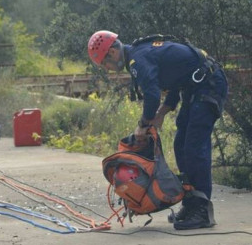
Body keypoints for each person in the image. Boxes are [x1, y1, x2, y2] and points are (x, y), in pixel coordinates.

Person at [87, 30, 228, 230]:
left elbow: (152, 95)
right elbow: (177, 80)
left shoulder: (138, 60)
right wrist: (161, 114)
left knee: (194, 148)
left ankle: (202, 211)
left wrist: (142, 125)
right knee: (181, 145)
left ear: (111, 52)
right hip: (195, 87)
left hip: (209, 85)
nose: (108, 69)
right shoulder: (139, 54)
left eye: (105, 64)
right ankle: (191, 204)